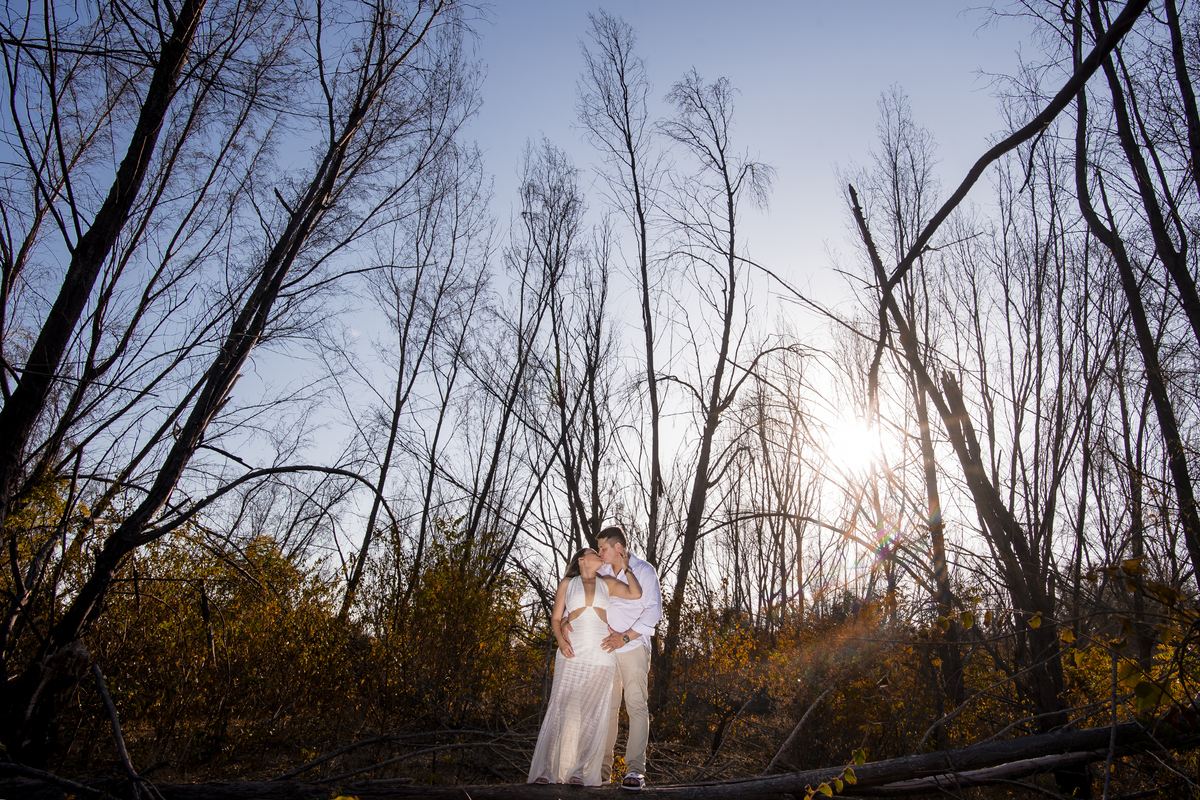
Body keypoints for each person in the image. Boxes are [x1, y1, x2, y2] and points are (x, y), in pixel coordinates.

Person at [528, 546, 642, 786]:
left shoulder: (607, 583)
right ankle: (548, 769)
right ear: (582, 560)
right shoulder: (567, 583)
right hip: (572, 650)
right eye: (593, 552)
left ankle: (579, 771)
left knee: (593, 713)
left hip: (601, 654)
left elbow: (635, 593)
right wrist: (561, 642)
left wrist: (626, 568)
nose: (599, 554)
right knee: (562, 707)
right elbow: (556, 618)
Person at [595, 526, 662, 791]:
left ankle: (635, 769)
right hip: (606, 650)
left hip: (633, 647)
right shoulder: (601, 572)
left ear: (619, 547)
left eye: (603, 548)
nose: (600, 553)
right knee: (607, 709)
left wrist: (624, 637)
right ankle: (602, 771)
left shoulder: (644, 570)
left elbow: (653, 612)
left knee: (636, 706)